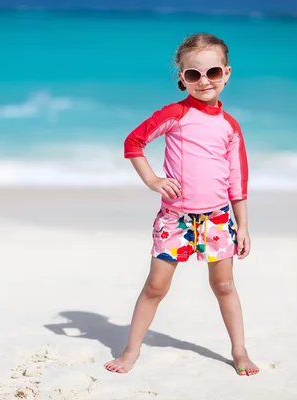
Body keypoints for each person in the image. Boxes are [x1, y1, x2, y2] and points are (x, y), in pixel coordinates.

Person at [104, 33, 259, 376]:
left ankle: (239, 350)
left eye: (213, 72)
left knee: (223, 286)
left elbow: (238, 181)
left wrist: (243, 225)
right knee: (156, 287)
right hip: (175, 218)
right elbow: (134, 142)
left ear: (227, 74)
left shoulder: (230, 127)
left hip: (218, 219)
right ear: (182, 78)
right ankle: (131, 350)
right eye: (194, 74)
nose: (204, 81)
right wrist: (152, 180)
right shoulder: (175, 114)